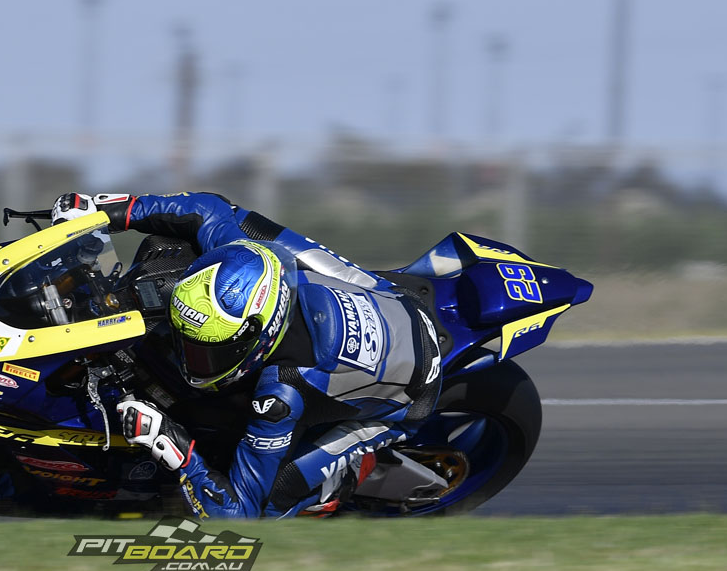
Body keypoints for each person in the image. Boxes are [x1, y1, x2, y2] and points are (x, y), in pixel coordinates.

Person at [51, 192, 442, 518]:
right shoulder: (244, 254)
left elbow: (239, 514)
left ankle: (344, 479)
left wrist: (174, 446)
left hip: (412, 393)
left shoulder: (281, 396)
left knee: (270, 507)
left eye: (206, 352)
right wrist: (105, 211)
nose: (188, 358)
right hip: (391, 297)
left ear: (257, 338)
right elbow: (207, 208)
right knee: (222, 230)